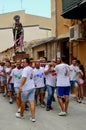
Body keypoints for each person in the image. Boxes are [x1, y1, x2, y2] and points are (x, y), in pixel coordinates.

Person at [16, 58, 36, 122]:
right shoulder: (31, 69)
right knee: (31, 102)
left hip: (26, 88)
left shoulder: (25, 69)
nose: (22, 63)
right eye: (22, 62)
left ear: (27, 63)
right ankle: (33, 117)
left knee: (23, 102)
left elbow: (24, 78)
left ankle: (21, 115)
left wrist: (21, 86)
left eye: (24, 62)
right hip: (32, 87)